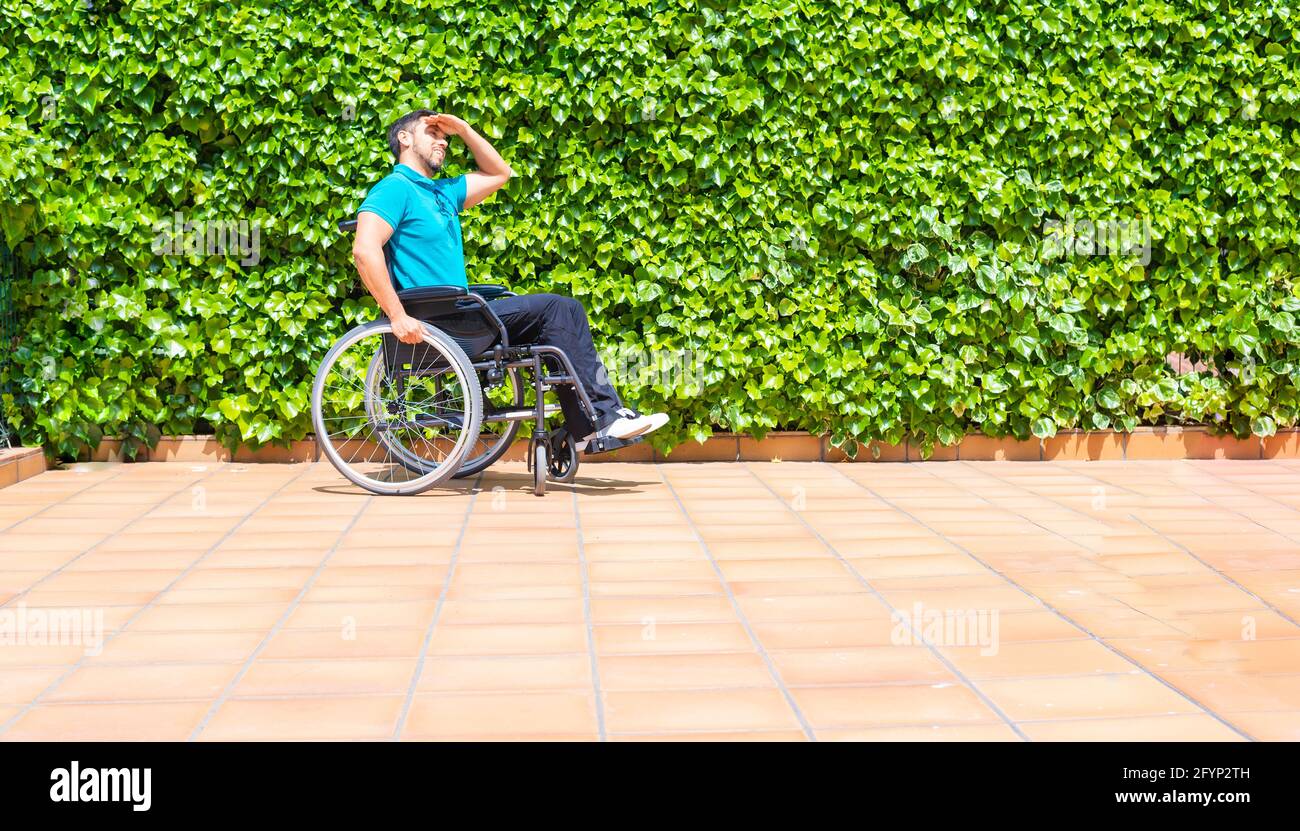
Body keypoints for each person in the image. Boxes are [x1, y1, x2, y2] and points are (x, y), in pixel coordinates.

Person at [351, 108, 668, 447]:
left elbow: (501, 173)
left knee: (557, 324)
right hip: (443, 319)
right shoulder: (394, 189)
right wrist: (397, 317)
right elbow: (364, 250)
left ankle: (588, 428)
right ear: (405, 138)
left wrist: (465, 129)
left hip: (463, 314)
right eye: (433, 133)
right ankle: (607, 416)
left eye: (445, 137)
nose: (443, 141)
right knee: (560, 309)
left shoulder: (441, 193)